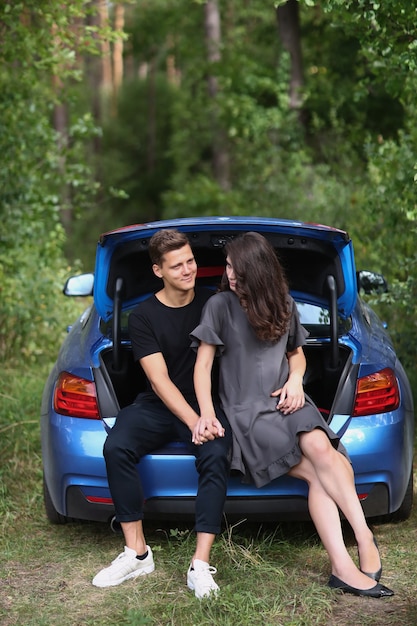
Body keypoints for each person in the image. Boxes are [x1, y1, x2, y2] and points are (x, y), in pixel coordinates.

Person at [191, 231, 394, 599]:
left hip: (286, 399)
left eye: (236, 268)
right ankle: (349, 558)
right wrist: (206, 411)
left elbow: (295, 355)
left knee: (321, 448)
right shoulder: (219, 306)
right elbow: (203, 365)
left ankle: (359, 544)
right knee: (321, 472)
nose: (229, 274)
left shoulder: (283, 304)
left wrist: (297, 380)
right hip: (247, 412)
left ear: (257, 270)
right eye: (228, 267)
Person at [93, 229, 232, 599]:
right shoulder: (143, 316)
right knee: (116, 447)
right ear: (158, 271)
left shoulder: (213, 303)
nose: (188, 270)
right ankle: (137, 553)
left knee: (217, 454)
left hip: (210, 402)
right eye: (177, 265)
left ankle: (200, 565)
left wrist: (206, 416)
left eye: (190, 261)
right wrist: (193, 422)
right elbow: (159, 380)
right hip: (161, 403)